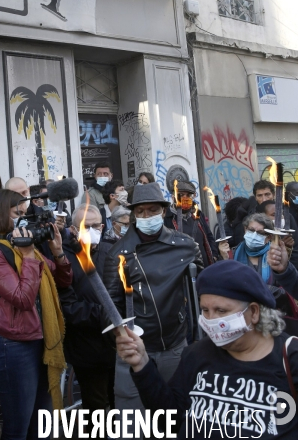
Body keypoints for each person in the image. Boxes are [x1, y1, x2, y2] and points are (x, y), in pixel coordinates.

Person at [116, 260, 298, 438]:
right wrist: (142, 365)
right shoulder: (196, 355)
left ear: (254, 312)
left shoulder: (290, 358)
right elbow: (170, 419)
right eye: (205, 310)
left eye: (221, 311)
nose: (211, 320)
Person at [103, 182, 203, 437]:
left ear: (163, 210)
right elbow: (108, 304)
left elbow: (202, 288)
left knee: (176, 421)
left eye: (153, 210)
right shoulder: (120, 253)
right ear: (134, 214)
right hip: (134, 348)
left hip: (175, 346)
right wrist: (121, 335)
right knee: (132, 425)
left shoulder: (186, 245)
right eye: (141, 211)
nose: (147, 216)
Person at [0, 189, 72, 440]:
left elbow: (62, 281)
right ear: (0, 214)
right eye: (17, 214)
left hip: (40, 340)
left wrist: (57, 251)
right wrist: (30, 256)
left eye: (24, 213)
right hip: (14, 345)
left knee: (40, 425)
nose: (23, 219)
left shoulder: (24, 248)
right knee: (17, 427)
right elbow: (23, 298)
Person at [58, 204, 115, 435]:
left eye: (95, 226)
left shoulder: (112, 252)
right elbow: (69, 307)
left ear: (103, 227)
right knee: (96, 410)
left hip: (116, 345)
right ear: (73, 229)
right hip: (86, 349)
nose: (91, 230)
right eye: (85, 226)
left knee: (120, 404)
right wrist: (104, 314)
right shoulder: (64, 259)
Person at [164, 180, 218, 267]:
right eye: (181, 195)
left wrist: (214, 256)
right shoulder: (167, 219)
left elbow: (209, 236)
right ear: (173, 197)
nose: (185, 198)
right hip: (182, 270)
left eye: (188, 195)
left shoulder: (197, 215)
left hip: (205, 267)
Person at [219, 213, 277, 283]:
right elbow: (224, 281)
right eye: (251, 230)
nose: (254, 235)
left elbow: (282, 284)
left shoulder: (275, 255)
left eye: (260, 233)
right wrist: (225, 259)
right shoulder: (232, 254)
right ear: (245, 229)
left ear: (269, 237)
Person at [257, 199, 298, 269]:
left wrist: (287, 250)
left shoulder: (284, 236)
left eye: (281, 214)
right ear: (262, 217)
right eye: (274, 215)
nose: (280, 218)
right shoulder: (255, 237)